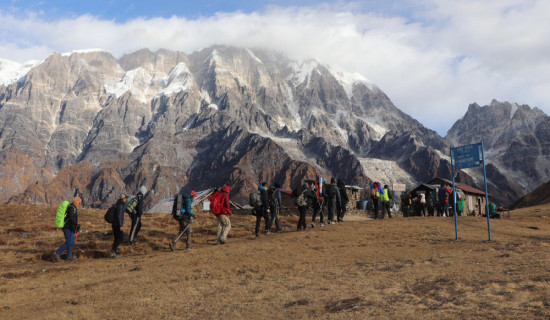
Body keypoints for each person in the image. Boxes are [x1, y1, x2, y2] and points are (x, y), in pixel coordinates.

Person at [54, 196, 81, 261]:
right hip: (67, 227)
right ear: (77, 202)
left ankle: (69, 257)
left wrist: (75, 226)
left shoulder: (73, 207)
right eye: (79, 203)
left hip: (70, 227)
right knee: (69, 242)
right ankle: (57, 253)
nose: (79, 204)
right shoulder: (71, 208)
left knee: (71, 242)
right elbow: (71, 218)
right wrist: (76, 225)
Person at [110, 194, 127, 258]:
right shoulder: (120, 205)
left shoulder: (118, 204)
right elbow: (119, 216)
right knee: (120, 238)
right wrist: (121, 225)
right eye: (125, 198)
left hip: (115, 224)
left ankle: (114, 252)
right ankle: (113, 250)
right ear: (122, 198)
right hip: (117, 224)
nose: (126, 199)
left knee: (116, 238)